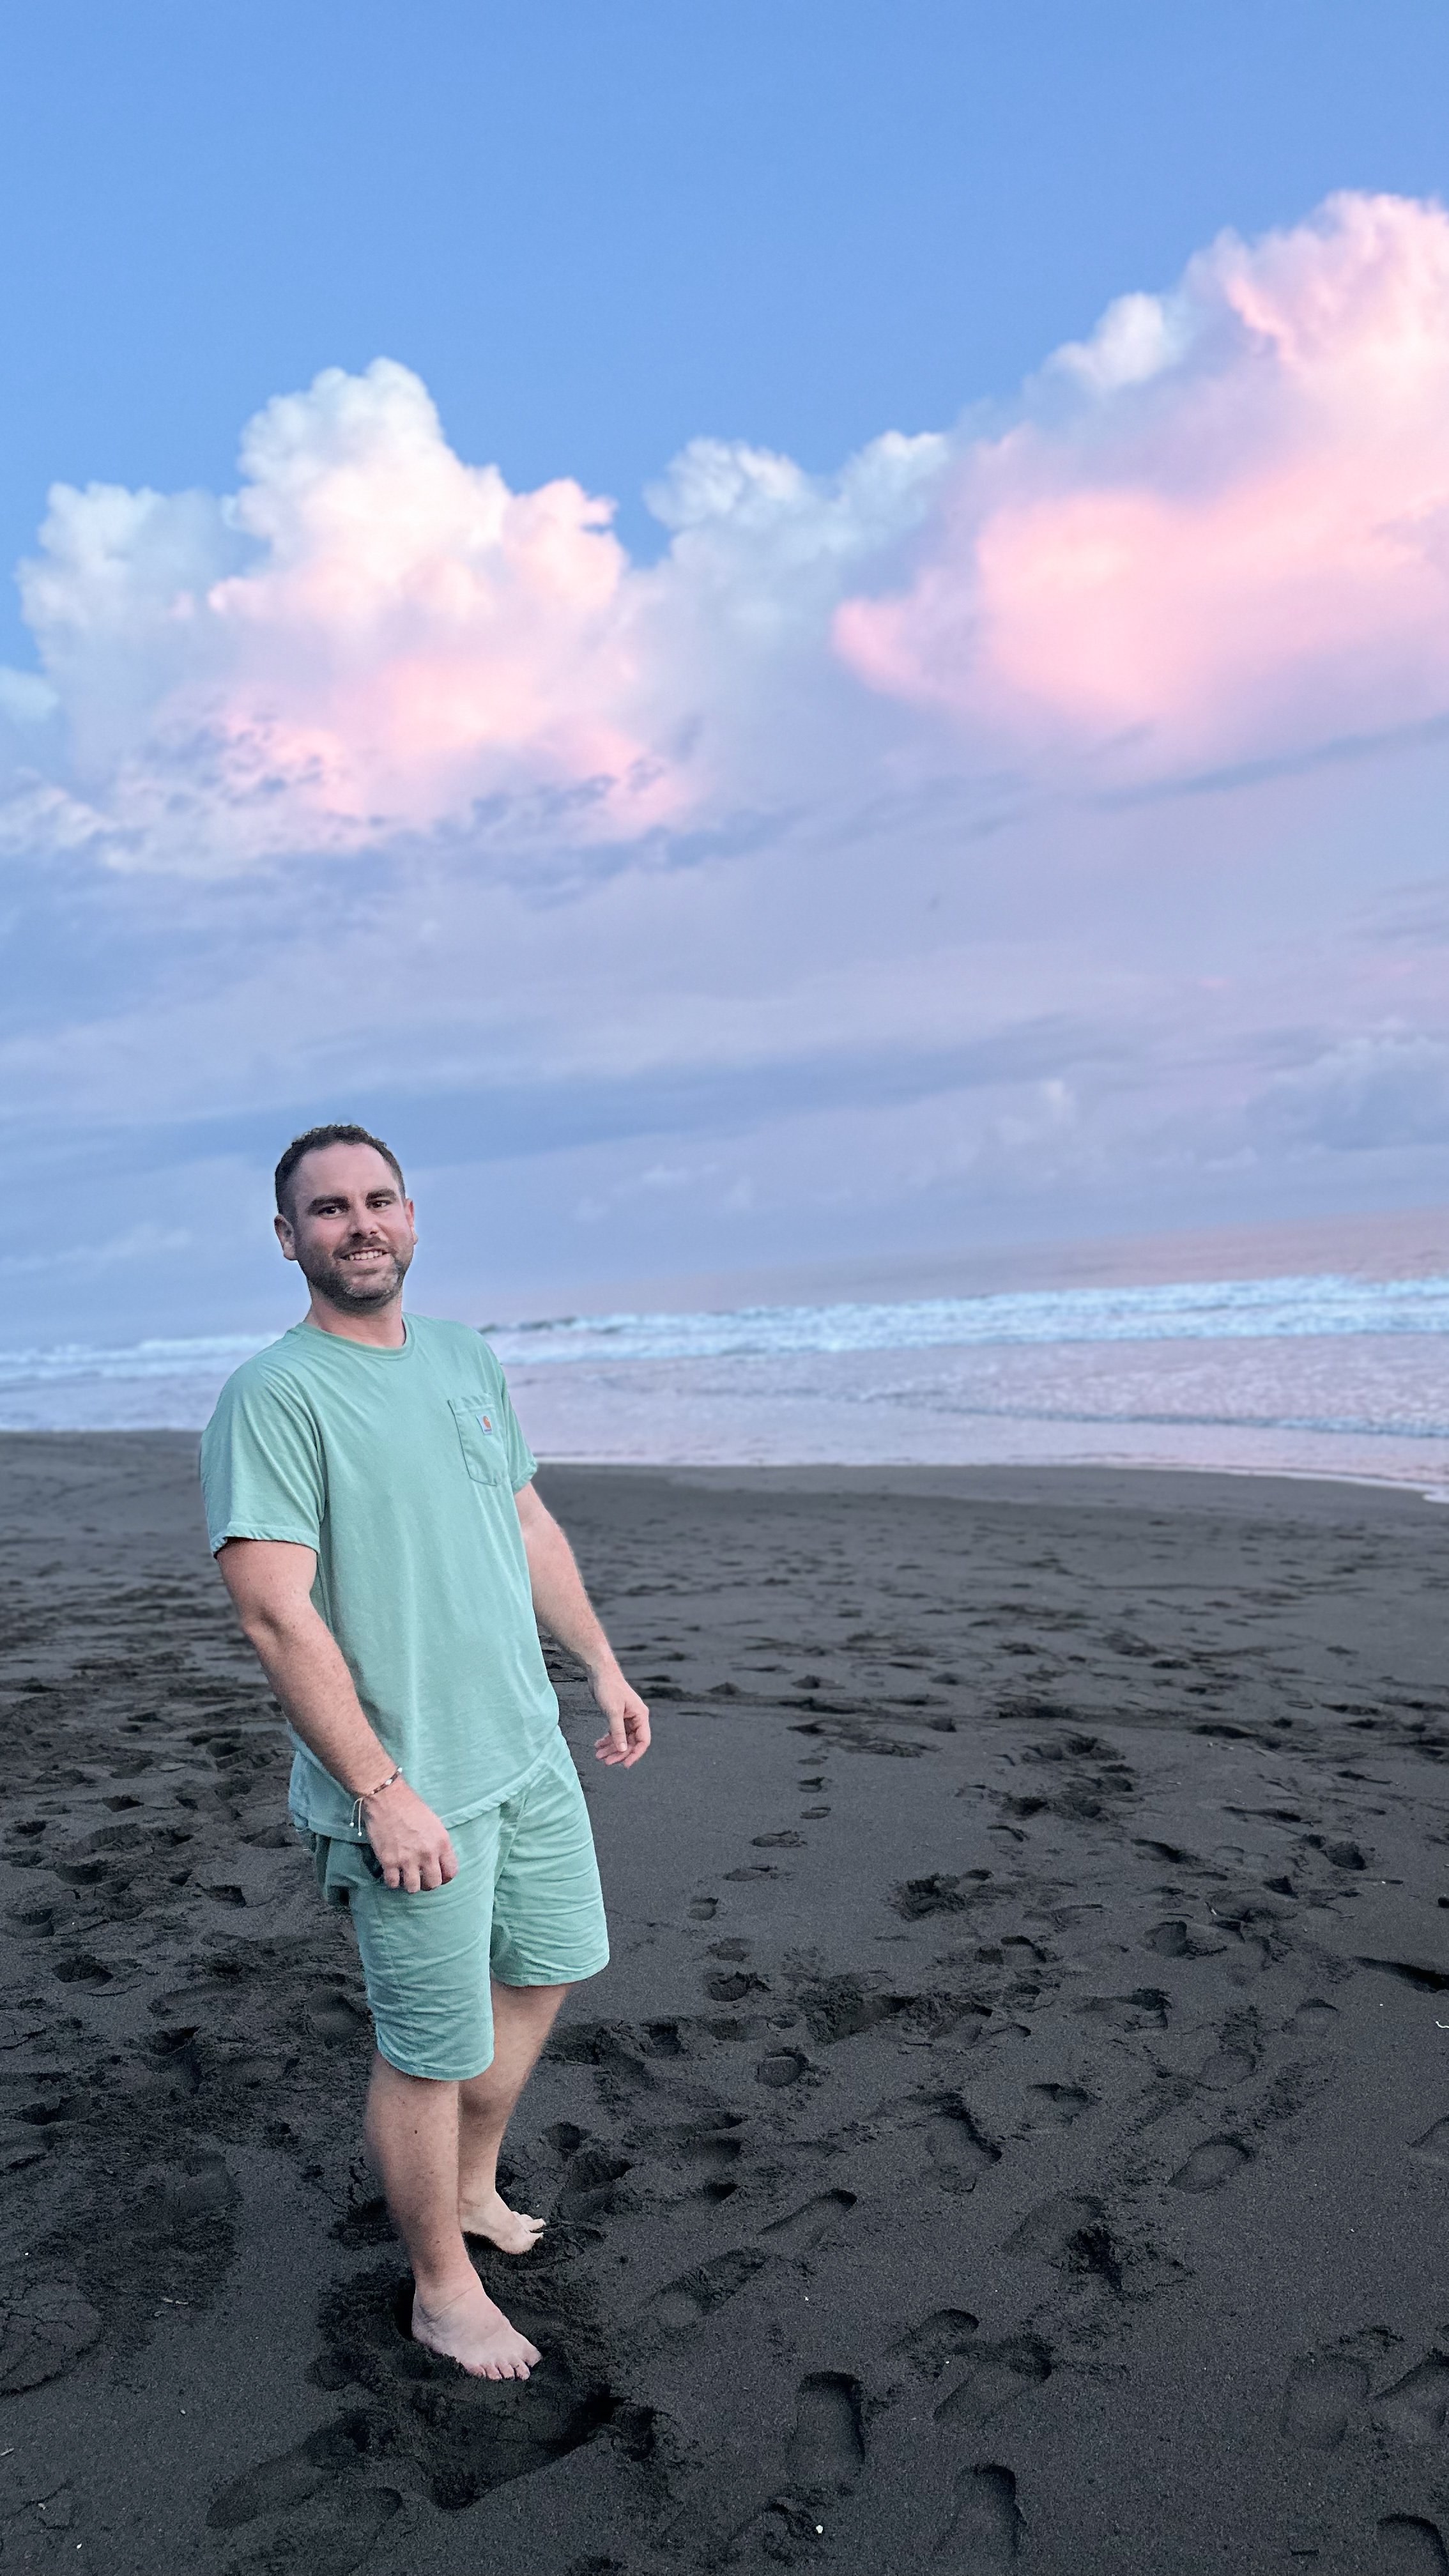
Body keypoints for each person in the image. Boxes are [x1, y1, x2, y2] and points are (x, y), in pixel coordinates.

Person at [198, 1122, 650, 2382]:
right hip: (402, 1790)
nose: (360, 1224)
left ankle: (462, 2186)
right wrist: (381, 1792)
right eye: (328, 1210)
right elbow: (273, 1611)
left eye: (377, 1200)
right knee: (429, 2048)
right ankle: (441, 2293)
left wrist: (600, 1668)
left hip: (525, 1750)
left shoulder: (463, 1358)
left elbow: (526, 1521)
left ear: (411, 1215)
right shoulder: (274, 1396)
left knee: (550, 1970)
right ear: (289, 1240)